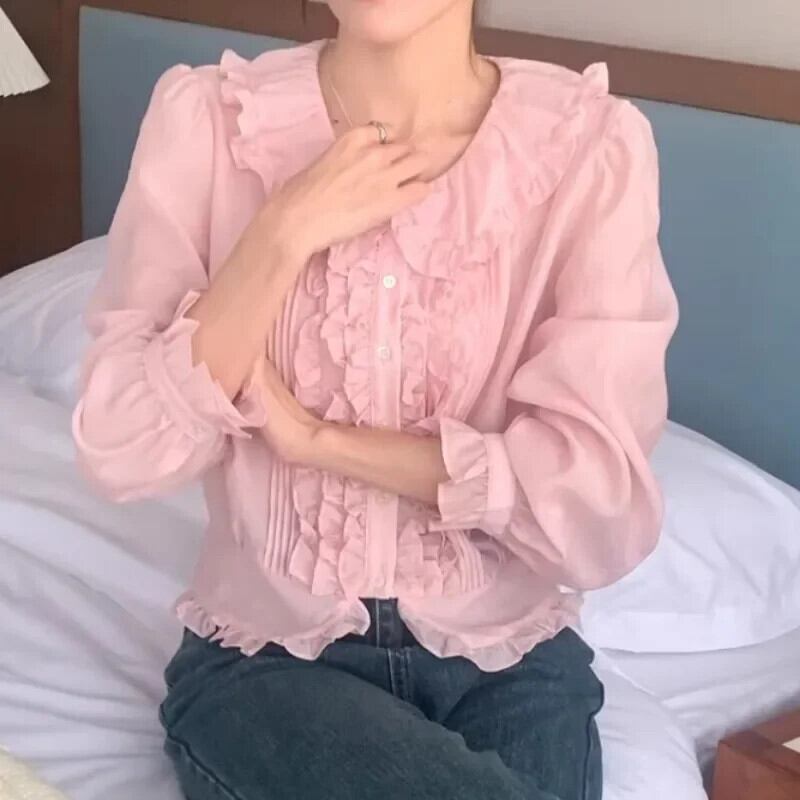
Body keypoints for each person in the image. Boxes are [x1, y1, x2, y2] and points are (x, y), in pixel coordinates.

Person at [72, 0, 679, 797]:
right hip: (267, 662)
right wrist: (282, 232)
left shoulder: (586, 149)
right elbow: (120, 446)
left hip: (509, 663)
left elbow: (598, 510)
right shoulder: (210, 125)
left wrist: (319, 442)